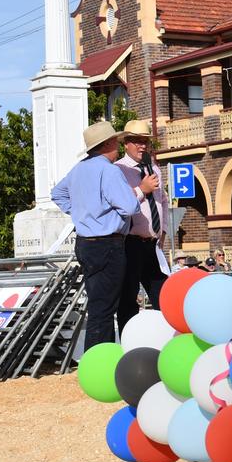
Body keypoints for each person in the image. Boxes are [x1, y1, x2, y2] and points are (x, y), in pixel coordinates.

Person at [51, 122, 145, 348]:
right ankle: (98, 360)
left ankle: (97, 358)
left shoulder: (79, 169)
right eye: (116, 141)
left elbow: (57, 194)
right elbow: (130, 207)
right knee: (103, 308)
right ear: (109, 144)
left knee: (99, 303)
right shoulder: (109, 171)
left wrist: (82, 212)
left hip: (86, 243)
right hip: (108, 243)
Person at [115, 119, 168, 328]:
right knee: (128, 298)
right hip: (131, 242)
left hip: (153, 245)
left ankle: (166, 339)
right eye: (137, 141)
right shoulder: (118, 170)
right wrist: (142, 189)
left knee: (163, 297)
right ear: (126, 143)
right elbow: (121, 203)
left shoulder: (154, 168)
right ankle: (129, 340)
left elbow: (162, 200)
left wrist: (162, 231)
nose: (142, 146)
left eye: (145, 141)